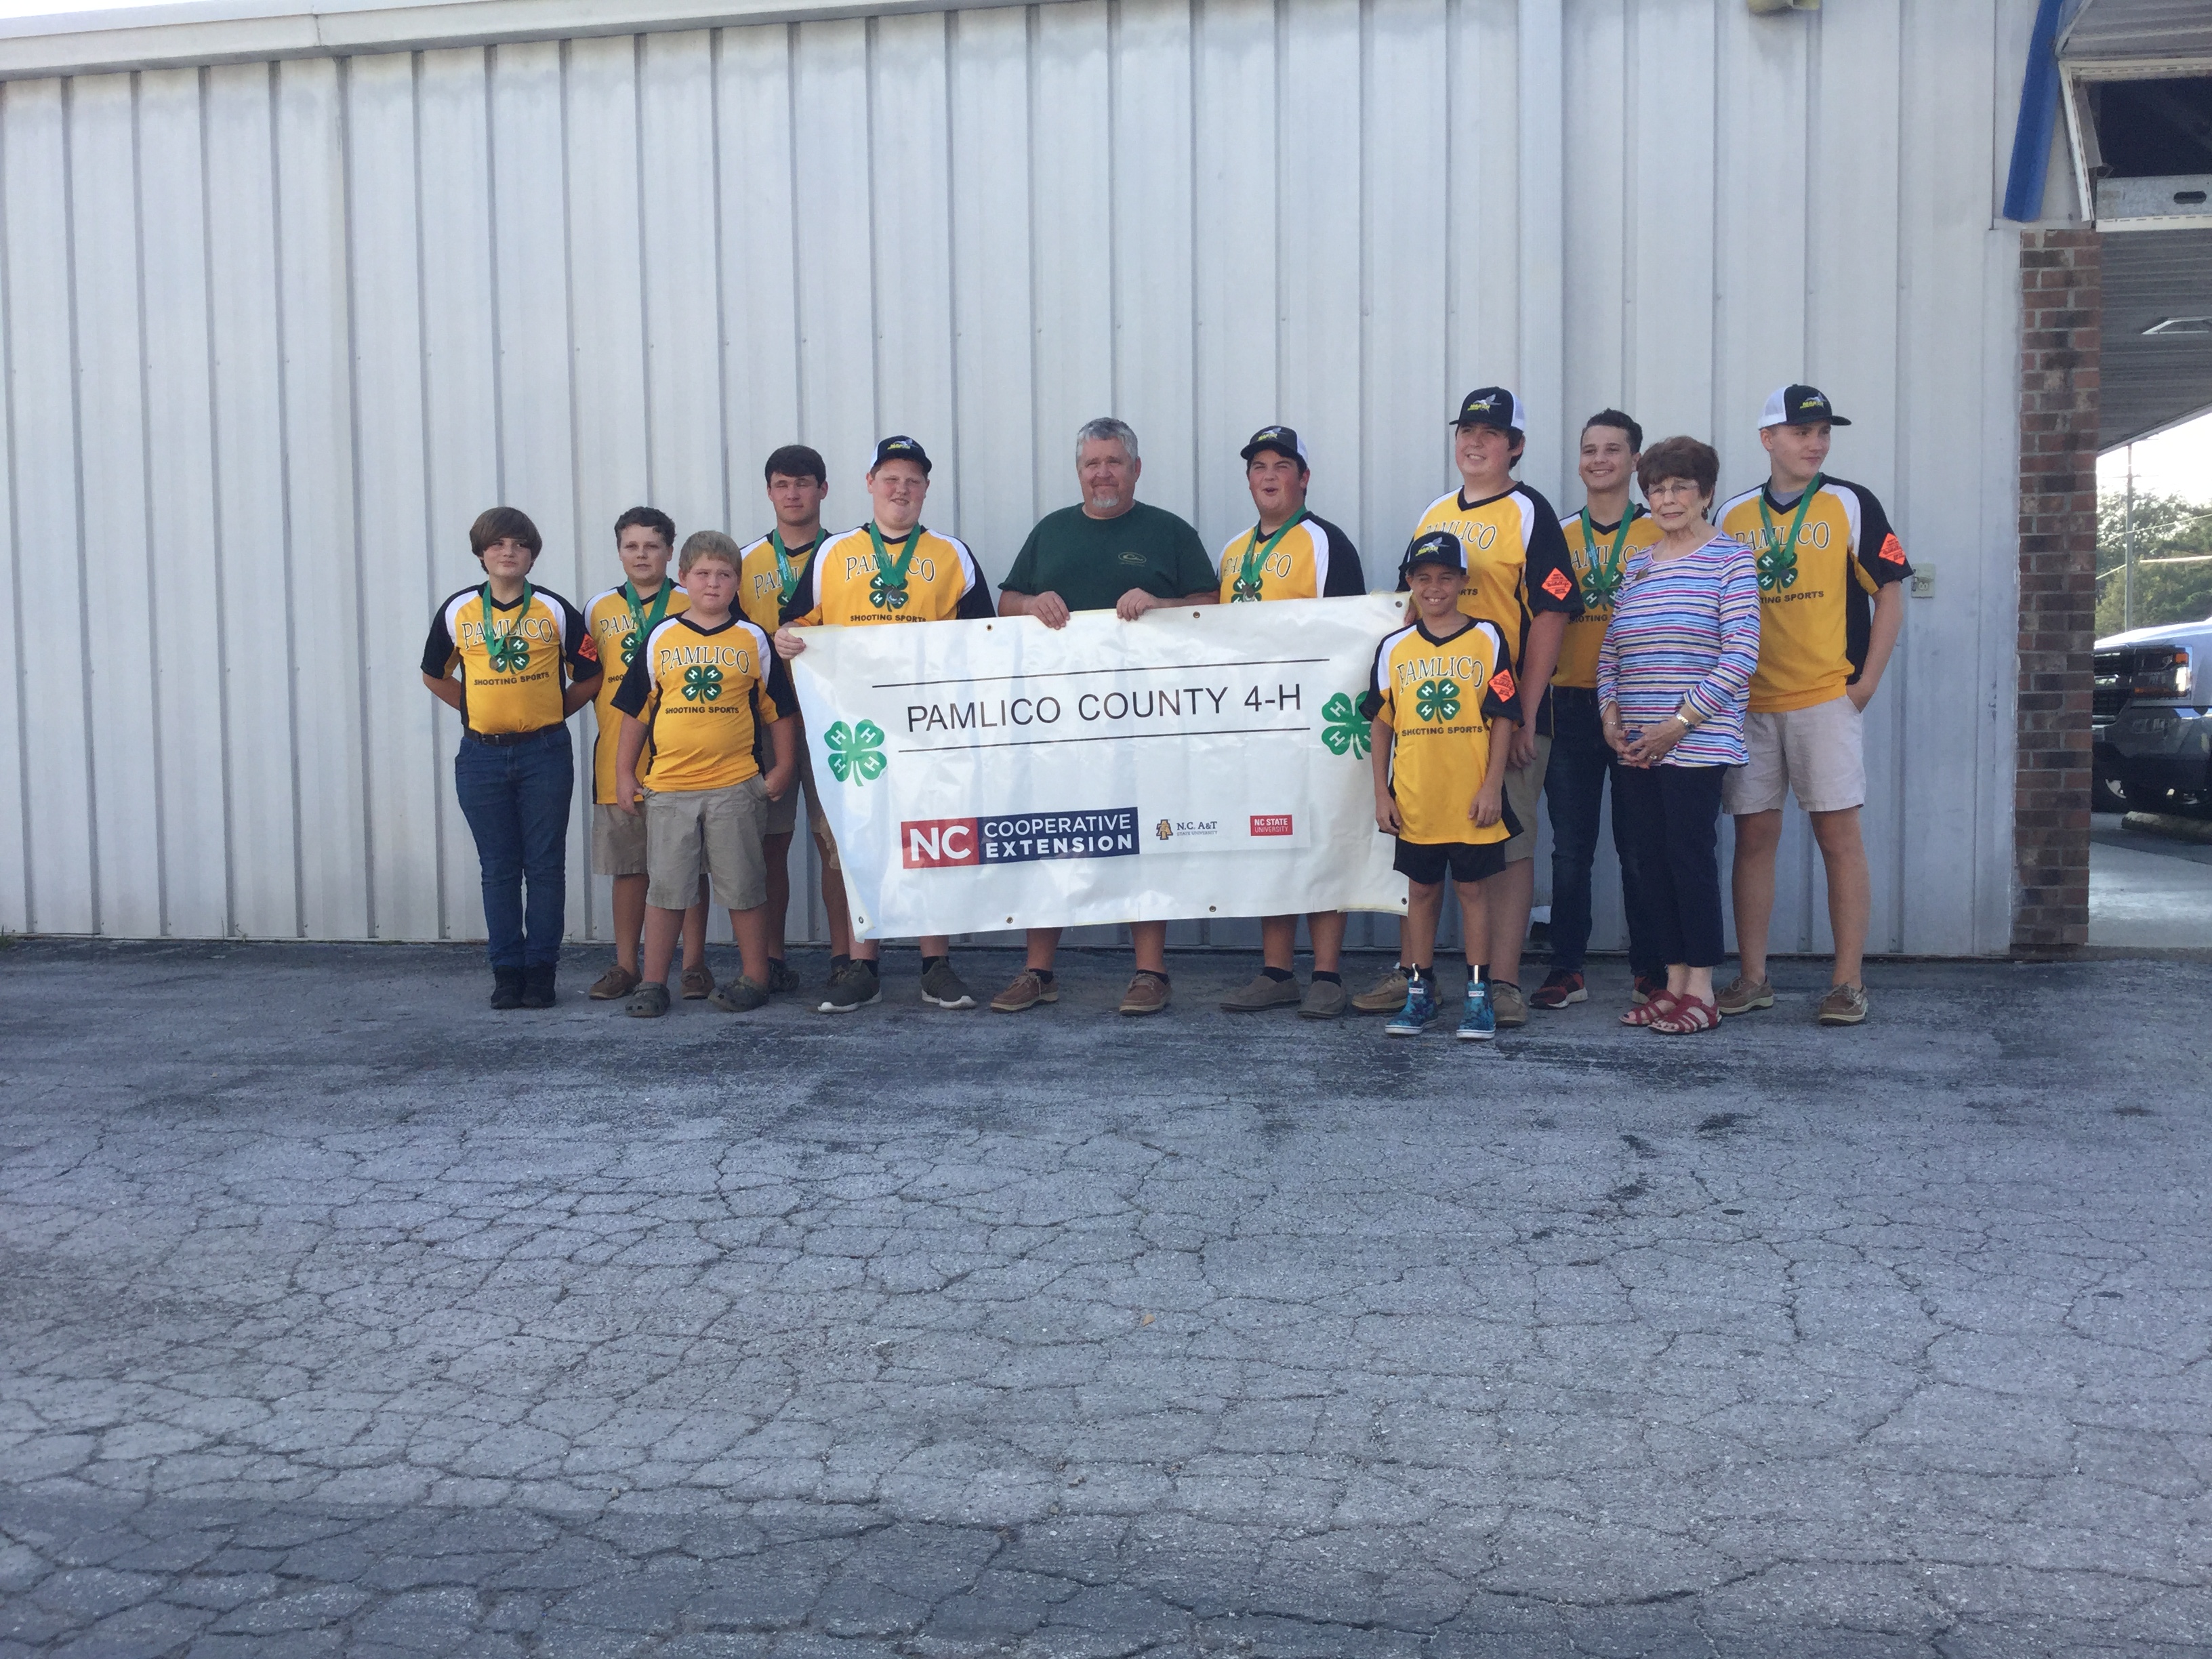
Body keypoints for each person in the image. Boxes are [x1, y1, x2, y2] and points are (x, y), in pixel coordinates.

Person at [1354, 388, 1580, 1029]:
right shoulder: (1435, 512)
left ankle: (1501, 983)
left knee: (1506, 842)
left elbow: (1552, 613)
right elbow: (1407, 611)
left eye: (1490, 432)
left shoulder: (1530, 511)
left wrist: (1528, 713)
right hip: (1430, 719)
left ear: (1516, 444)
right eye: (1466, 431)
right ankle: (1415, 977)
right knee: (1424, 840)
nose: (1474, 442)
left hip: (1502, 713)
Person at [989, 416, 1220, 1018]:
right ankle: (1039, 971)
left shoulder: (1168, 532)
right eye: (1092, 463)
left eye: (1114, 461)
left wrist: (1161, 604)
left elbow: (1211, 606)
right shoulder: (1052, 532)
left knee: (1145, 834)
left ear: (1136, 469)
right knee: (1053, 832)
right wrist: (1029, 602)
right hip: (1059, 722)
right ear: (1079, 471)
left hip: (1148, 718)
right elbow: (1005, 600)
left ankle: (1151, 972)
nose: (1103, 473)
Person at [774, 435, 995, 1015]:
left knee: (933, 837)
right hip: (856, 729)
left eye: (913, 481)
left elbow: (986, 641)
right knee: (859, 839)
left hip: (929, 728)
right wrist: (787, 637)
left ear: (926, 489)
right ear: (870, 483)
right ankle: (862, 965)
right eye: (891, 479)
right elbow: (795, 622)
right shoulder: (833, 554)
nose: (902, 489)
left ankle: (935, 965)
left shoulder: (953, 555)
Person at [1714, 385, 1910, 1027]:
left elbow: (1890, 594)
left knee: (1838, 837)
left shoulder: (1850, 502)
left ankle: (1848, 983)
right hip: (1750, 702)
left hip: (1826, 698)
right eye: (1801, 432)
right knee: (1753, 837)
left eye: (1824, 431)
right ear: (1768, 439)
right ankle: (1752, 977)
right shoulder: (1734, 514)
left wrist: (1866, 683)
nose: (1816, 442)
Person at [1597, 437, 1760, 1036]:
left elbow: (1741, 654)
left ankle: (1702, 990)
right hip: (1636, 746)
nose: (1667, 499)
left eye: (1680, 487)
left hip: (1695, 744)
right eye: (1657, 489)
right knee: (1648, 864)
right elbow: (1611, 649)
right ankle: (1670, 984)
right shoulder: (1636, 566)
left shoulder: (1730, 561)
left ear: (1706, 494)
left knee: (1689, 862)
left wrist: (1680, 723)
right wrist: (1611, 717)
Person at [1212, 426, 1369, 1019]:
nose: (1269, 475)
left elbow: (1351, 633)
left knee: (1324, 834)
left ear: (1303, 478)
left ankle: (1327, 972)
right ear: (1250, 479)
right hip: (1254, 722)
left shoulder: (1324, 542)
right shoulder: (1232, 551)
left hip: (1313, 720)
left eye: (1282, 465)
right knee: (1268, 837)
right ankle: (1276, 970)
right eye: (1259, 467)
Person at [419, 507, 600, 1009]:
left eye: (519, 544)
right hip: (481, 756)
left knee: (544, 866)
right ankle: (506, 971)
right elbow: (434, 672)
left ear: (532, 554)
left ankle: (541, 971)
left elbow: (590, 674)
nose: (508, 552)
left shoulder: (554, 609)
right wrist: (475, 709)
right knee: (497, 867)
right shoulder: (459, 611)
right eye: (497, 544)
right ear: (481, 553)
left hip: (544, 753)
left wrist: (550, 712)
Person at [612, 532, 798, 1017]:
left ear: (737, 582)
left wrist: (783, 767)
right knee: (667, 888)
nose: (713, 583)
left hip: (735, 785)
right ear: (683, 579)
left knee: (744, 885)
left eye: (724, 574)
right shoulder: (662, 637)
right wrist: (624, 773)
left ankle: (755, 976)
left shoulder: (752, 638)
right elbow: (635, 712)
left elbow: (779, 712)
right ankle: (653, 983)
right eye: (702, 574)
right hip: (670, 787)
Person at [1361, 530, 1521, 1040]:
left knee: (1475, 892)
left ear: (1462, 581)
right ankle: (1420, 992)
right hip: (1416, 795)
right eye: (1423, 578)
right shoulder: (1393, 647)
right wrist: (1381, 792)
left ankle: (1479, 998)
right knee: (1422, 891)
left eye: (1445, 577)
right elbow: (1381, 722)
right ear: (1410, 582)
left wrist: (1492, 785)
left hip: (1471, 796)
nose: (1434, 588)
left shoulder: (1488, 638)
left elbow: (1502, 718)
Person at [1534, 411, 1666, 1012]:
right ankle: (1567, 969)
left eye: (1613, 450)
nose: (1599, 460)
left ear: (1636, 461)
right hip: (1570, 703)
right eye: (1589, 449)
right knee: (1570, 849)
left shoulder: (1663, 530)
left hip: (1642, 703)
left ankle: (1651, 969)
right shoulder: (1556, 533)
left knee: (1641, 845)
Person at [736, 445, 853, 995]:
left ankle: (843, 956)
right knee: (769, 844)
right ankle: (773, 957)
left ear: (823, 490)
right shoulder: (743, 561)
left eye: (804, 484)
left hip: (836, 715)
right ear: (769, 492)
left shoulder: (849, 554)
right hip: (765, 720)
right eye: (782, 484)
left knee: (838, 842)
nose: (793, 494)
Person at [582, 508, 710, 1003]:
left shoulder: (693, 599)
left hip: (686, 759)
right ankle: (625, 965)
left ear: (670, 552)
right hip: (621, 758)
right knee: (630, 868)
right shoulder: (597, 610)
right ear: (619, 551)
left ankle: (694, 964)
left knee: (690, 867)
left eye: (652, 546)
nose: (641, 555)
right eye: (631, 546)